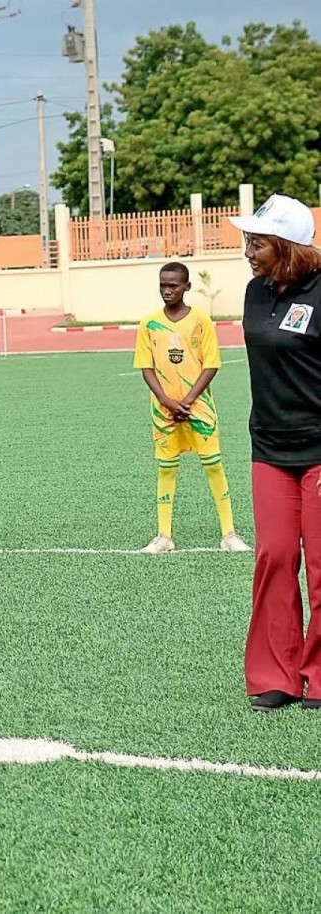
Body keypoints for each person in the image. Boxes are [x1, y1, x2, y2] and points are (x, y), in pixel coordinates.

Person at [229, 195, 321, 712]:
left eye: (258, 242)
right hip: (269, 446)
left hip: (320, 449)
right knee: (275, 557)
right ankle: (278, 676)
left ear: (287, 247)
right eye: (248, 241)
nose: (248, 251)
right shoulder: (253, 293)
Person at [133, 262, 249, 555]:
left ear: (187, 287)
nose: (167, 290)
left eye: (173, 285)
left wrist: (187, 400)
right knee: (167, 468)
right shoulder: (148, 323)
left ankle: (229, 534)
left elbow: (211, 364)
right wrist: (168, 401)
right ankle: (164, 536)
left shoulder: (201, 321)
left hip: (200, 409)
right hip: (163, 411)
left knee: (213, 465)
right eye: (163, 285)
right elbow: (146, 368)